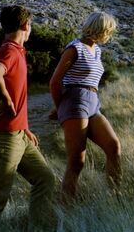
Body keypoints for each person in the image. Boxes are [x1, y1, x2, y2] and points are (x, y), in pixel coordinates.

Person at [0, 5, 56, 232]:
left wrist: (24, 127)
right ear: (25, 26)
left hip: (19, 134)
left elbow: (15, 90)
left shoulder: (16, 51)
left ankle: (38, 228)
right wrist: (7, 100)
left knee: (45, 179)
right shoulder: (9, 50)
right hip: (4, 138)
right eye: (30, 25)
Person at [49, 11, 121, 202]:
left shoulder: (97, 50)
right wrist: (61, 108)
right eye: (109, 31)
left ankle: (114, 196)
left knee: (113, 147)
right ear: (100, 29)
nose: (109, 36)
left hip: (93, 103)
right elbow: (55, 82)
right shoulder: (74, 48)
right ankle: (66, 207)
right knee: (76, 161)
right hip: (75, 101)